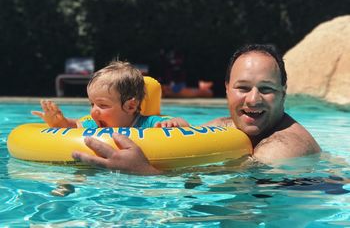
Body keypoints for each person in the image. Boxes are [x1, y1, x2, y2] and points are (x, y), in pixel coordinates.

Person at [71, 44, 321, 174]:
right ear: (226, 89)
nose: (253, 99)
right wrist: (177, 130)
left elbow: (247, 201)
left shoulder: (281, 150)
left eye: (266, 89)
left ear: (283, 93)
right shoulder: (224, 125)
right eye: (243, 88)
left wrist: (143, 173)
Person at [32, 60, 189, 129]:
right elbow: (73, 126)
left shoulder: (147, 123)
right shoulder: (97, 124)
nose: (94, 111)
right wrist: (59, 121)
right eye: (92, 104)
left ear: (130, 105)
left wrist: (174, 123)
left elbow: (183, 124)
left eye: (103, 105)